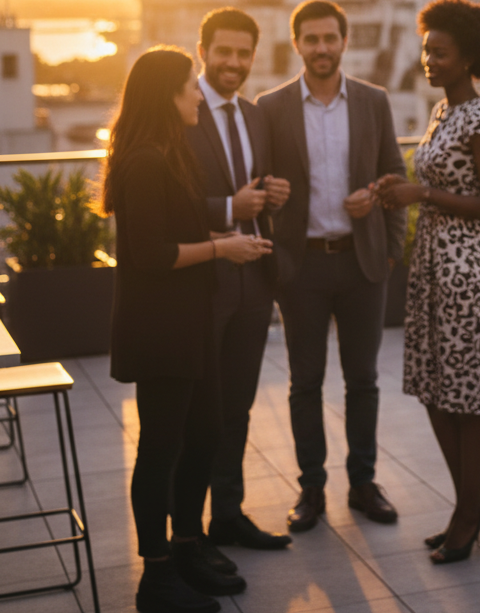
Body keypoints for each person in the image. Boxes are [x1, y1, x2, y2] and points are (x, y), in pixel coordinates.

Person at [104, 47, 272, 613]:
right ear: (166, 96)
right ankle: (156, 577)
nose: (199, 94)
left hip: (189, 321)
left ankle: (185, 546)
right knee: (160, 449)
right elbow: (148, 254)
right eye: (189, 88)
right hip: (160, 329)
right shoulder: (146, 161)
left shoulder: (168, 153)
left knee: (203, 436)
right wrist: (225, 247)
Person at [256, 0, 407, 532]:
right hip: (300, 268)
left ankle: (363, 483)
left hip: (362, 262)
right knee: (305, 382)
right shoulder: (269, 107)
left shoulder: (372, 101)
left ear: (345, 42)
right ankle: (312, 489)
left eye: (330, 38)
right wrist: (266, 195)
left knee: (363, 380)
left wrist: (390, 247)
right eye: (311, 39)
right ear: (296, 43)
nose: (321, 48)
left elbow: (393, 174)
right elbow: (256, 184)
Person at [376, 0, 480, 564]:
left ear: (468, 56)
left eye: (440, 52)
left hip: (467, 271)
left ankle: (465, 512)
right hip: (432, 266)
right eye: (427, 49)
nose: (428, 59)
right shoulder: (440, 114)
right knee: (436, 390)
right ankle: (469, 503)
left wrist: (421, 193)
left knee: (469, 399)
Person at [184, 8, 292, 552]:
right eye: (223, 51)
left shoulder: (255, 116)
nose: (233, 63)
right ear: (203, 50)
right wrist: (230, 206)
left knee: (238, 406)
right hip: (201, 280)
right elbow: (168, 203)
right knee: (198, 408)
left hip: (254, 281)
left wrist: (271, 194)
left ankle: (227, 513)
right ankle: (187, 529)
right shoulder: (180, 111)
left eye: (243, 54)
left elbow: (258, 188)